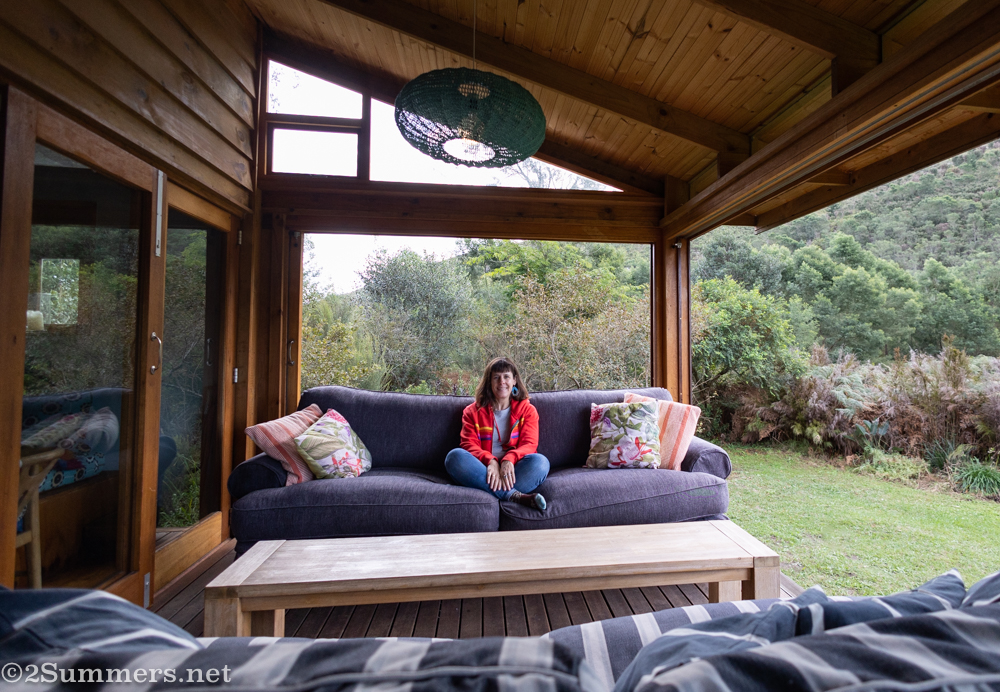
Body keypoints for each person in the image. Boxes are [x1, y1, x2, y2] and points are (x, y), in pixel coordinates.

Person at [444, 357, 549, 510]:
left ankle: (491, 490)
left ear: (514, 380)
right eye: (496, 377)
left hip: (514, 471)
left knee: (541, 463)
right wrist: (491, 462)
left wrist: (509, 460)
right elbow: (468, 445)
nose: (502, 382)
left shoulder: (528, 411)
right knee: (454, 457)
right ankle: (513, 496)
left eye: (506, 376)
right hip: (482, 470)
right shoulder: (472, 412)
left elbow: (529, 445)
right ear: (489, 382)